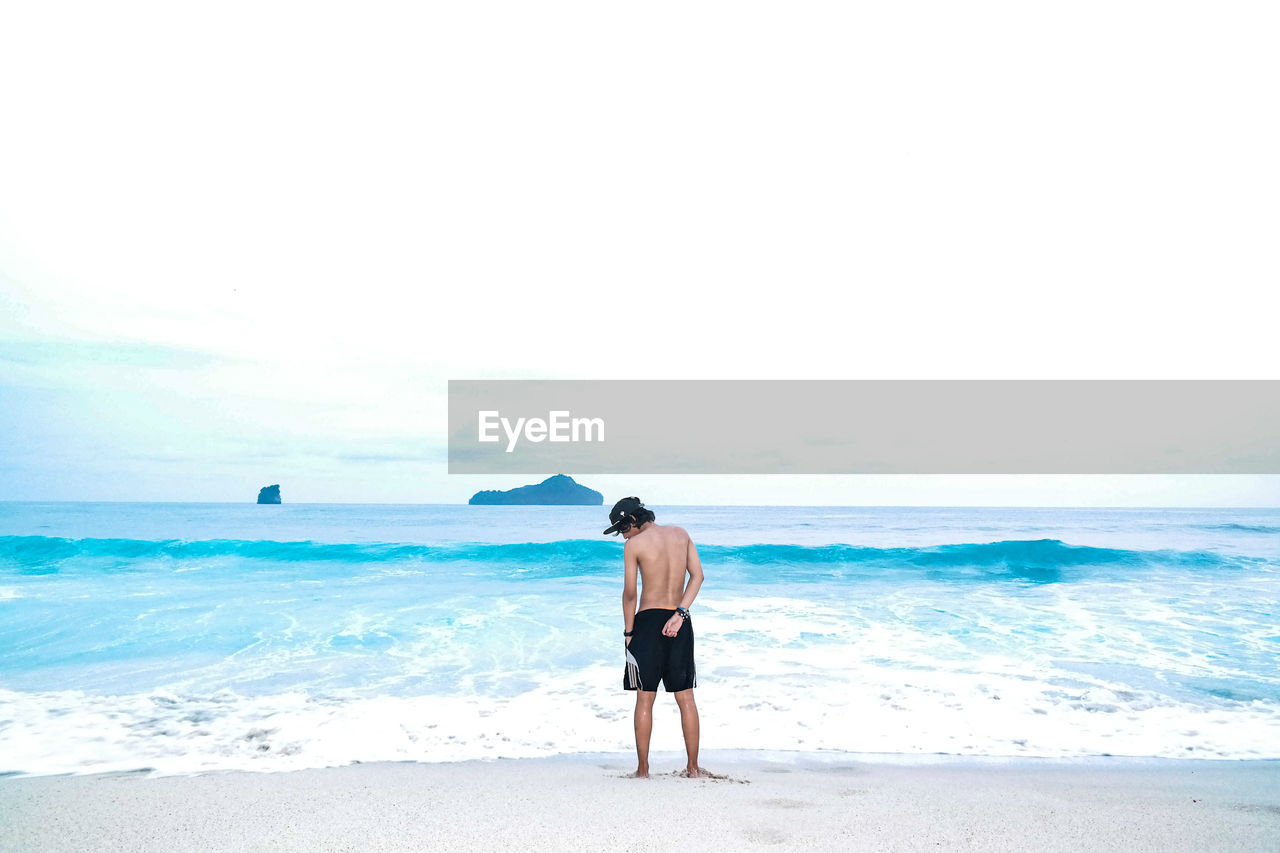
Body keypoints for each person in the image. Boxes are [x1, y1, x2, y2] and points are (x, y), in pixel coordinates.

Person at [603, 496, 706, 778]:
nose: (623, 535)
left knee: (644, 699)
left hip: (647, 624)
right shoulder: (681, 534)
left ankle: (643, 769)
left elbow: (630, 594)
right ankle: (693, 768)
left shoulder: (633, 545)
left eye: (623, 528)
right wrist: (680, 614)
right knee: (686, 698)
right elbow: (697, 576)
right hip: (679, 622)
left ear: (634, 520)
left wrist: (628, 633)